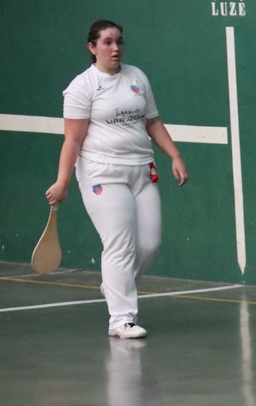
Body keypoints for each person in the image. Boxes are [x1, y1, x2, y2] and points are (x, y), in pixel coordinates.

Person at [45, 20, 189, 339]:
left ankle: (113, 285)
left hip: (142, 170)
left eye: (119, 41)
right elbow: (72, 140)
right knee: (119, 244)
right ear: (92, 47)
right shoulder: (82, 87)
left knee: (149, 245)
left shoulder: (137, 76)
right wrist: (62, 181)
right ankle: (121, 320)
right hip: (102, 173)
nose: (115, 48)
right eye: (107, 42)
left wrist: (175, 155)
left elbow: (152, 122)